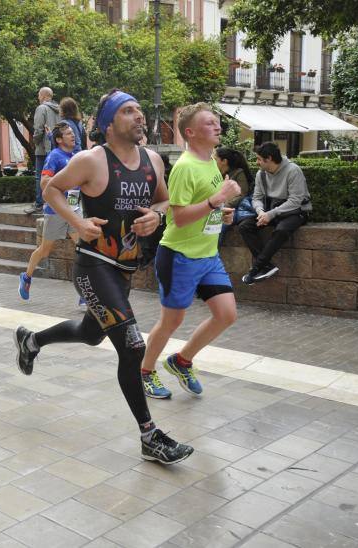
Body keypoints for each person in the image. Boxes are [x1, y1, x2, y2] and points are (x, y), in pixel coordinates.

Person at [13, 89, 193, 465]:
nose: (139, 115)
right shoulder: (91, 160)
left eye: (140, 109)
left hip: (125, 269)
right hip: (94, 266)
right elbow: (52, 188)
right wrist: (77, 222)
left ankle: (32, 341)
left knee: (92, 333)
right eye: (129, 111)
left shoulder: (154, 161)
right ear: (109, 124)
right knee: (131, 345)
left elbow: (163, 201)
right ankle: (149, 435)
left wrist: (156, 216)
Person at [139, 103, 240, 400]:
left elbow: (203, 207)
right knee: (172, 321)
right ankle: (144, 372)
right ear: (191, 132)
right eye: (210, 123)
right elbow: (179, 217)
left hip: (208, 257)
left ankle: (181, 361)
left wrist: (220, 212)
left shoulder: (210, 162)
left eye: (218, 122)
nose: (218, 126)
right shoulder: (184, 167)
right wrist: (217, 199)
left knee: (226, 314)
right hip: (179, 256)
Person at [18, 122, 80, 302]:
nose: (73, 135)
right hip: (56, 211)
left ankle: (84, 293)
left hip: (74, 210)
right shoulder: (55, 156)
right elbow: (44, 182)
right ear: (59, 140)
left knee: (83, 249)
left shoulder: (76, 156)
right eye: (68, 134)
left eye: (72, 133)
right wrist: (61, 188)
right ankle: (27, 277)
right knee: (45, 250)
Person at [238, 141, 311, 284]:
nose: (257, 162)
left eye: (259, 159)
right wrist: (260, 211)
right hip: (272, 210)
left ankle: (256, 267)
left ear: (269, 158)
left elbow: (295, 201)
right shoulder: (261, 174)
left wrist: (270, 214)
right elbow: (257, 198)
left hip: (296, 212)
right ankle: (267, 266)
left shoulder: (293, 170)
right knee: (245, 226)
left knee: (281, 230)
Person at [25, 87, 60, 214]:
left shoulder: (42, 108)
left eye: (39, 95)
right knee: (55, 176)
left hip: (43, 149)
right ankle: (54, 202)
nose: (38, 98)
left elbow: (38, 129)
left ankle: (39, 203)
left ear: (44, 96)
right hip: (58, 149)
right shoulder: (59, 109)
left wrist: (35, 141)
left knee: (40, 177)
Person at [215, 148, 253, 247]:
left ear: (224, 161)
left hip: (233, 209)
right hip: (217, 208)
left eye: (215, 159)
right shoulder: (217, 174)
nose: (213, 162)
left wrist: (226, 204)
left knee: (218, 228)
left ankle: (212, 255)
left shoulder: (239, 173)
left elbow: (242, 194)